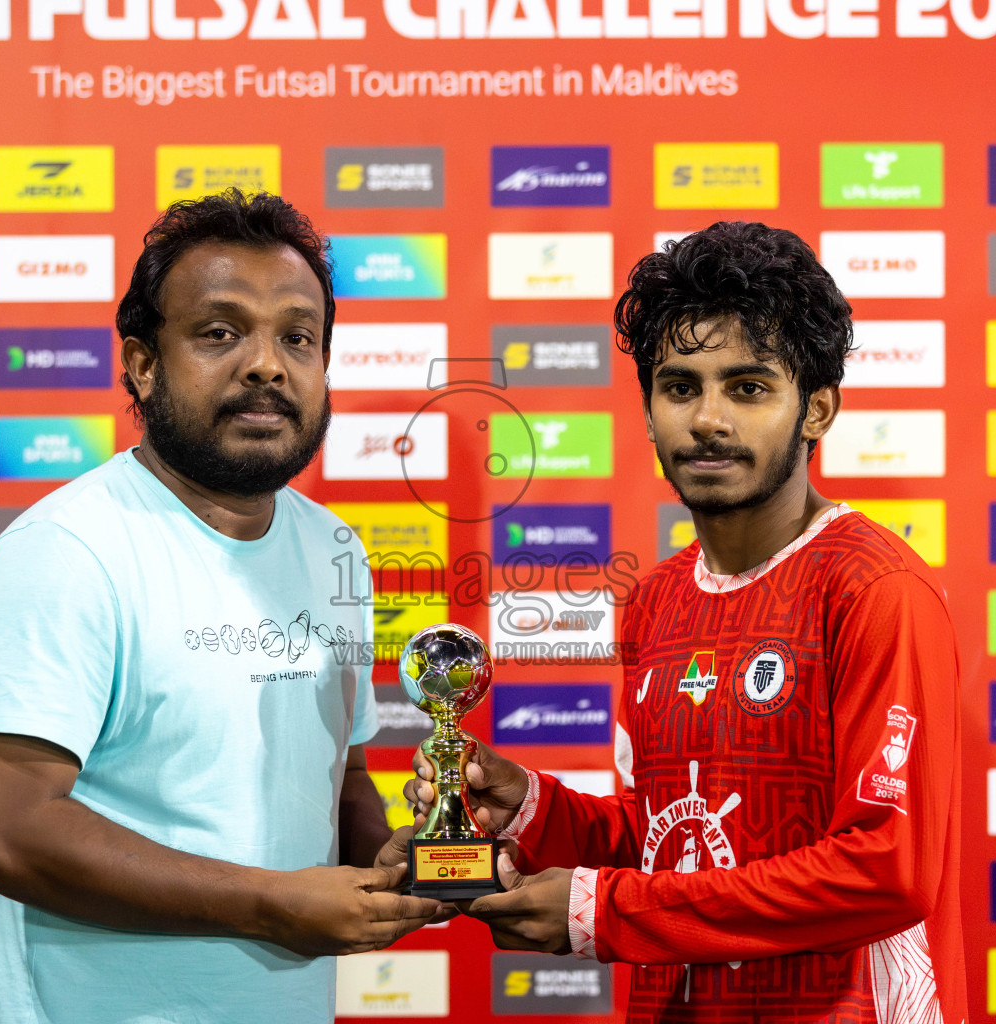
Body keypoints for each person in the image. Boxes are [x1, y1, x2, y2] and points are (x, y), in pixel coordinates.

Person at [404, 222, 967, 1023]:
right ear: (646, 413)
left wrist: (604, 914)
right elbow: (663, 845)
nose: (707, 418)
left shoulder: (874, 589)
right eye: (680, 386)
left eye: (747, 387)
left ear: (818, 409)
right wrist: (526, 804)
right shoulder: (660, 598)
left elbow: (888, 871)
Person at [0, 190, 439, 1024]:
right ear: (141, 363)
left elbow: (343, 778)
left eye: (298, 336)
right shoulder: (69, 550)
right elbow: (2, 832)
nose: (267, 365)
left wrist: (398, 860)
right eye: (220, 332)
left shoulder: (334, 547)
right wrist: (271, 904)